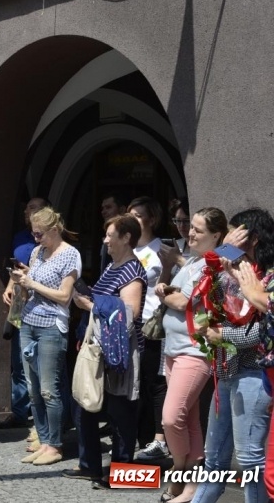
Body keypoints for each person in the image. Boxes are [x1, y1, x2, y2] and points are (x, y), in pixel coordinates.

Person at [190, 208, 273, 503]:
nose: (230, 239)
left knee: (251, 462)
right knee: (213, 462)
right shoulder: (230, 270)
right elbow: (203, 297)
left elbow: (263, 333)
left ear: (253, 238)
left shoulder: (266, 277)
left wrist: (223, 335)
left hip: (253, 374)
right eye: (228, 236)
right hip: (225, 372)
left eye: (236, 233)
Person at [154, 207, 227, 503]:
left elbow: (184, 299)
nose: (190, 232)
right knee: (189, 421)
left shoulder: (211, 264)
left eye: (198, 229)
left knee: (171, 419)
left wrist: (163, 294)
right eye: (190, 226)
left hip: (194, 352)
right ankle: (191, 486)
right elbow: (175, 291)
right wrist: (167, 289)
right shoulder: (194, 260)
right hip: (174, 349)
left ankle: (180, 472)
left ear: (216, 236)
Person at [69, 214, 146, 489]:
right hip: (98, 350)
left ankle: (122, 472)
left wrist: (88, 306)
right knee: (84, 407)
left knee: (120, 413)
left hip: (119, 354)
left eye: (110, 235)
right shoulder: (113, 266)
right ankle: (89, 465)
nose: (105, 240)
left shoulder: (132, 271)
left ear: (125, 238)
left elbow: (130, 313)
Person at [9, 208, 81, 464]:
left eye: (39, 233)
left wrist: (33, 284)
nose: (35, 237)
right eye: (32, 232)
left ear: (54, 229)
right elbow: (32, 287)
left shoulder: (70, 255)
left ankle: (55, 445)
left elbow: (64, 297)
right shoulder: (37, 252)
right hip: (28, 322)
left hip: (52, 326)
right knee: (34, 389)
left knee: (50, 389)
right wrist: (21, 280)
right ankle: (44, 440)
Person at [0, 197, 48, 431]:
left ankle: (44, 415)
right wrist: (10, 286)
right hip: (20, 300)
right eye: (26, 207)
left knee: (39, 360)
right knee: (18, 358)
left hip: (40, 303)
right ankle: (20, 411)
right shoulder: (20, 237)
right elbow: (17, 266)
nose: (27, 211)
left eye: (33, 208)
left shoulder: (50, 239)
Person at [126, 197, 169, 461]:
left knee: (153, 381)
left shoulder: (161, 249)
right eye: (129, 215)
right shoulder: (125, 249)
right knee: (134, 382)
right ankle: (136, 438)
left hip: (153, 324)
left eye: (138, 215)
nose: (132, 219)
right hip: (129, 325)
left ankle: (155, 440)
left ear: (151, 219)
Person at [99, 193, 127, 272]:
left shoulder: (128, 237)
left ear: (121, 210)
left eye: (108, 207)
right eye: (103, 208)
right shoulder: (105, 237)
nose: (103, 212)